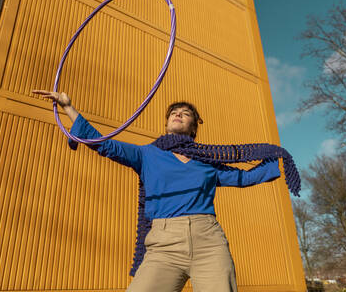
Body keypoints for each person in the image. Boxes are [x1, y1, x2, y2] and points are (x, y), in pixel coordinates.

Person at [32, 90, 281, 292]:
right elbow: (103, 144)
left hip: (209, 243)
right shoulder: (146, 154)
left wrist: (278, 159)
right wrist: (68, 107)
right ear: (167, 122)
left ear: (193, 127)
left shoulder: (207, 162)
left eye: (185, 114)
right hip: (164, 245)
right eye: (174, 112)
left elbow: (243, 177)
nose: (178, 114)